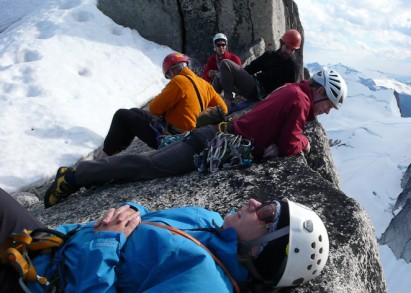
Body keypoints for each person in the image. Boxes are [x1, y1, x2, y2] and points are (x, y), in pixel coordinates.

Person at [0, 187, 330, 293]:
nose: (255, 202)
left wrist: (104, 247)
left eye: (268, 213)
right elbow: (150, 219)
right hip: (42, 246)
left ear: (265, 250)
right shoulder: (210, 221)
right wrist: (132, 212)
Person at [44, 69, 348, 208]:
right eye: (329, 105)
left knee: (146, 165)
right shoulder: (300, 102)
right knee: (146, 167)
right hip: (209, 144)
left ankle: (81, 176)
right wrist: (305, 143)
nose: (327, 112)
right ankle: (73, 177)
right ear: (320, 91)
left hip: (211, 138)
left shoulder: (293, 91)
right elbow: (290, 144)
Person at [97, 53, 228, 158]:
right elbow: (223, 108)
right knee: (134, 112)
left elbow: (155, 109)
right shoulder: (204, 84)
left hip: (171, 137)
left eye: (169, 75)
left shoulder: (178, 81)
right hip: (190, 134)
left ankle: (106, 154)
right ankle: (115, 149)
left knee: (122, 115)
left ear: (171, 71)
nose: (170, 78)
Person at [217, 29, 302, 106]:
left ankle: (227, 102)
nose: (288, 51)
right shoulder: (269, 55)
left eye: (292, 50)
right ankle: (209, 103)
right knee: (219, 76)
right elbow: (250, 69)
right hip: (253, 85)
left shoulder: (292, 66)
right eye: (287, 47)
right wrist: (232, 76)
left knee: (225, 63)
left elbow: (292, 90)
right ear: (281, 43)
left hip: (259, 92)